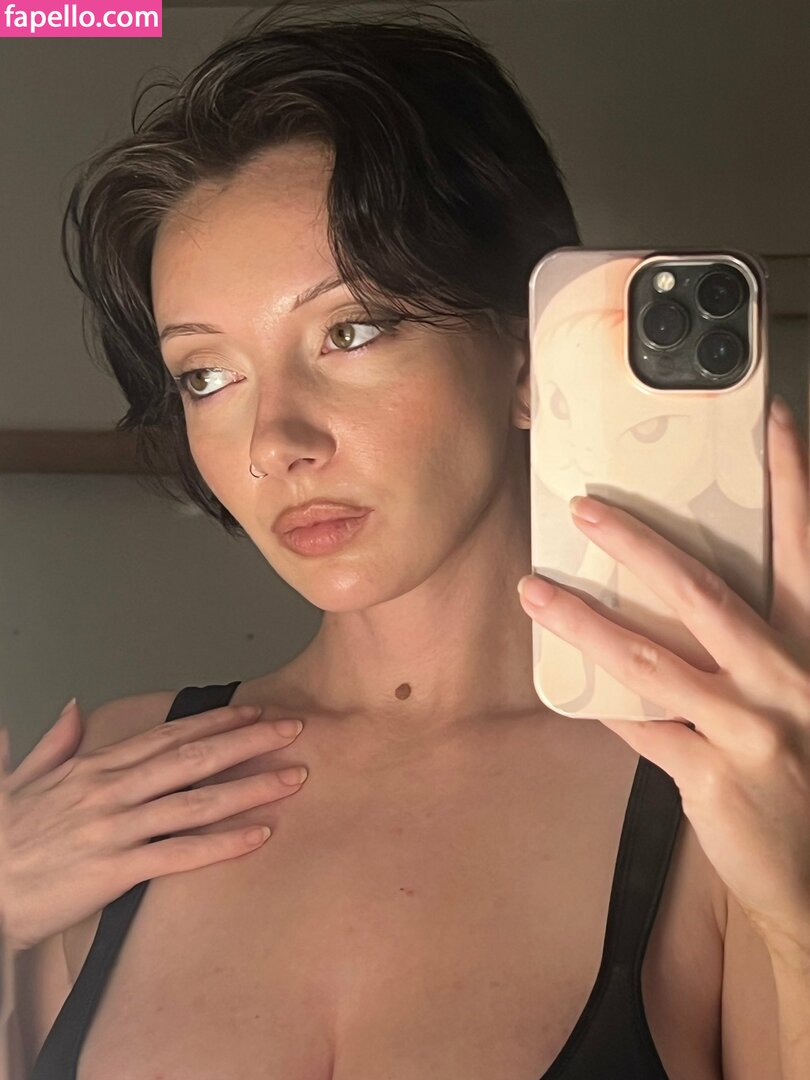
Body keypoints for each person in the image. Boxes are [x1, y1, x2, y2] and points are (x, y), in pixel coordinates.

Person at [7, 2, 810, 1078]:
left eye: (350, 331)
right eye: (207, 375)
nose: (276, 442)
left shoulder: (723, 781)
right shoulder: (110, 787)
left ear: (529, 361)